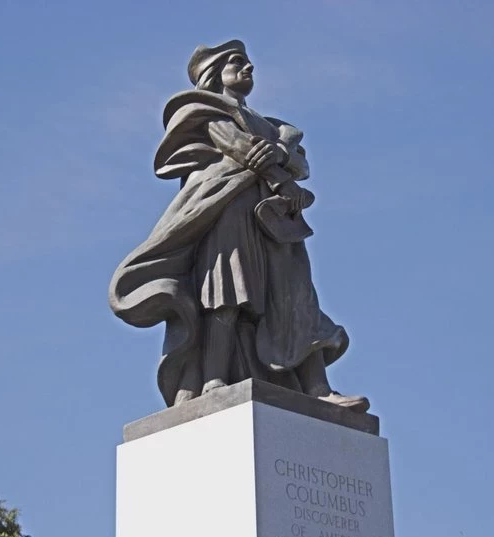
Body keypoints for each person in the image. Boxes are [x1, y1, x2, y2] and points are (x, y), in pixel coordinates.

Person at [109, 40, 368, 412]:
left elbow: (298, 161)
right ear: (215, 73)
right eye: (237, 62)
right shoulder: (206, 111)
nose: (248, 68)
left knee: (297, 298)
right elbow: (242, 149)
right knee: (228, 292)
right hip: (227, 212)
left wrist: (282, 156)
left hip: (276, 221)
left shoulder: (273, 127)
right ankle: (214, 381)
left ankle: (318, 388)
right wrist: (282, 175)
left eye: (248, 63)